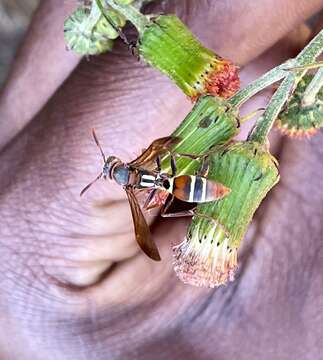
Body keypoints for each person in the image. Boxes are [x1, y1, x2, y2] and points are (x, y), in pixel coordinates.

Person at [0, 1, 322, 359]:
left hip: (191, 181)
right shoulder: (143, 167)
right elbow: (168, 151)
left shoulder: (136, 178)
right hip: (192, 178)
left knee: (174, 173)